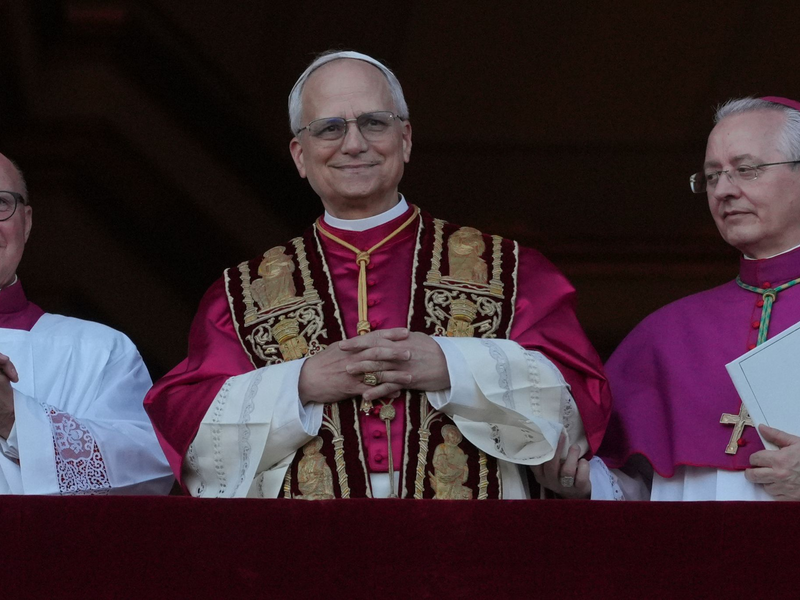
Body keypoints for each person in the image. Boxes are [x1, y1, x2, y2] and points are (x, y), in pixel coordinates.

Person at [144, 50, 612, 499]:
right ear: (299, 155)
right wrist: (301, 383)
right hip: (308, 551)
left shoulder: (509, 271)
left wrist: (453, 366)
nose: (354, 144)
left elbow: (581, 403)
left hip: (471, 546)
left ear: (405, 139)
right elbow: (190, 436)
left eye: (374, 122)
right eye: (329, 128)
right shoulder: (241, 295)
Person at [587, 96, 800, 501]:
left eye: (746, 170)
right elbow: (634, 487)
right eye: (711, 176)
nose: (723, 190)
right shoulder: (667, 331)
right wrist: (580, 480)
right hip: (695, 561)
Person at [0, 154, 173, 494]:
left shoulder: (100, 351)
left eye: (0, 203)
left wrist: (12, 417)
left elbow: (147, 475)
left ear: (27, 221)